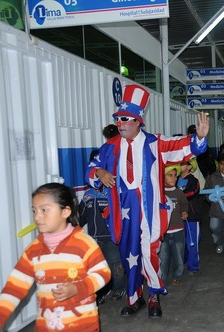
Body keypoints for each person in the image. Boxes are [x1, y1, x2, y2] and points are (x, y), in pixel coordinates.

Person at [85, 84, 209, 318]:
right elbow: (91, 167)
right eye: (118, 119)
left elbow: (180, 146)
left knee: (150, 254)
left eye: (125, 119)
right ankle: (134, 299)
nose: (120, 123)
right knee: (128, 254)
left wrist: (199, 138)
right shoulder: (110, 146)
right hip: (124, 213)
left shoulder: (155, 143)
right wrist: (99, 173)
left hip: (149, 212)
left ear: (138, 121)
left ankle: (154, 296)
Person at [0, 183, 111, 332]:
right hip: (47, 326)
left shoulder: (84, 244)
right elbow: (14, 287)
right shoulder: (33, 250)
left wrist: (78, 288)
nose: (37, 216)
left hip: (83, 326)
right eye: (34, 210)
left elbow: (103, 274)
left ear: (65, 212)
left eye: (44, 210)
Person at [79, 151, 126, 304]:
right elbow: (80, 217)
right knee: (96, 268)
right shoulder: (87, 195)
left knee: (115, 266)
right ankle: (101, 292)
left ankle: (119, 289)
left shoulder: (114, 192)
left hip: (111, 238)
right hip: (94, 239)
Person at [160, 165, 188, 286]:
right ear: (162, 177)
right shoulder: (159, 193)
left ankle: (177, 275)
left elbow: (185, 204)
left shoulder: (179, 192)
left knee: (178, 256)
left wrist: (184, 211)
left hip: (178, 229)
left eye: (175, 176)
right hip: (163, 232)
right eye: (169, 175)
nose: (173, 178)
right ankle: (162, 278)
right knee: (163, 257)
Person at [177, 158, 202, 275]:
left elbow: (191, 193)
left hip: (191, 216)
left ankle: (193, 265)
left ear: (190, 167)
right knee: (181, 242)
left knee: (192, 241)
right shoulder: (174, 179)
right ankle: (184, 262)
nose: (180, 166)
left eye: (183, 164)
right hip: (177, 217)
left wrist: (176, 197)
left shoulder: (194, 181)